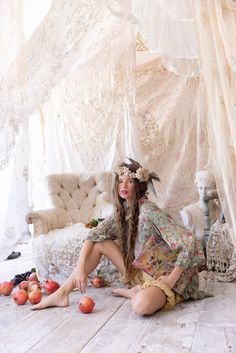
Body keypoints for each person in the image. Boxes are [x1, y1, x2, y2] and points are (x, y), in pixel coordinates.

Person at [32, 158, 209, 315]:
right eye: (120, 181)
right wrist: (79, 269)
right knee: (100, 243)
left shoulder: (149, 211)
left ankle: (136, 293)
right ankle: (62, 293)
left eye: (130, 181)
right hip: (143, 271)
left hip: (166, 277)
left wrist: (171, 278)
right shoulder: (122, 211)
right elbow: (94, 235)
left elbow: (189, 241)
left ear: (138, 185)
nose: (123, 186)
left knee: (141, 306)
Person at [180, 170, 222, 243]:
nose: (203, 192)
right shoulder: (188, 212)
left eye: (208, 188)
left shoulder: (220, 211)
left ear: (215, 189)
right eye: (200, 188)